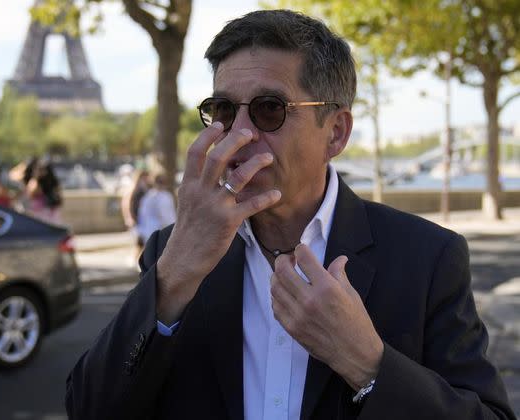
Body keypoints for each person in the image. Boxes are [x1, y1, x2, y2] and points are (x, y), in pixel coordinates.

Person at [65, 10, 513, 420]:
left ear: (335, 133)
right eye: (223, 110)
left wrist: (368, 365)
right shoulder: (173, 250)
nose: (239, 134)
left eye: (268, 110)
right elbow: (89, 409)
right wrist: (176, 273)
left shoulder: (428, 258)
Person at [137, 173, 177, 244]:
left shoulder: (148, 195)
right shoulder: (166, 196)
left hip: (149, 232)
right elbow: (167, 216)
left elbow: (142, 213)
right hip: (161, 233)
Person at [121, 170, 151, 253]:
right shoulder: (135, 189)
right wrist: (130, 217)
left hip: (143, 220)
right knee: (139, 242)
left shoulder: (144, 188)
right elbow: (128, 204)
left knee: (142, 242)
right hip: (137, 219)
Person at [26, 159, 63, 224]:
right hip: (51, 212)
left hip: (41, 212)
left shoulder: (35, 182)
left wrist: (35, 178)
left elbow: (31, 193)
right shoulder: (53, 182)